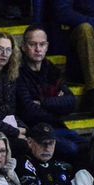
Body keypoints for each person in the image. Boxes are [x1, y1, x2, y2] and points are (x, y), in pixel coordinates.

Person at [15, 25, 79, 160]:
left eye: (42, 44)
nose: (38, 49)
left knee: (90, 145)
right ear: (24, 47)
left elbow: (71, 101)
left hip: (57, 127)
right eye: (33, 44)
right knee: (72, 149)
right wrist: (56, 109)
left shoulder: (51, 70)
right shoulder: (17, 72)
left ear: (47, 46)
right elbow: (29, 110)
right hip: (34, 130)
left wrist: (43, 102)